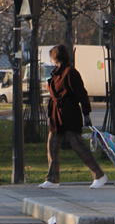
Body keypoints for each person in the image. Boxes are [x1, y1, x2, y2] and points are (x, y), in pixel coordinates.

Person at [38, 44, 108, 189]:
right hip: (57, 116)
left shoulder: (70, 73)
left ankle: (99, 175)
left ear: (56, 58)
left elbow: (82, 94)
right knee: (52, 145)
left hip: (69, 115)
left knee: (78, 145)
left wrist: (86, 113)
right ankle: (52, 179)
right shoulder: (58, 72)